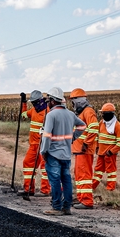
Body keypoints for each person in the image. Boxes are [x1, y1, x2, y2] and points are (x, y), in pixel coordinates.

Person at [39, 87, 86, 216]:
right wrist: (73, 137)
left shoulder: (51, 115)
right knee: (66, 180)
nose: (48, 103)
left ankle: (56, 207)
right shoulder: (70, 114)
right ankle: (66, 207)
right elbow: (82, 126)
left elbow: (47, 136)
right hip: (66, 154)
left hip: (53, 154)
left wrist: (43, 151)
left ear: (53, 101)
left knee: (54, 181)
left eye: (49, 100)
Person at [69, 87, 99, 209]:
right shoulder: (82, 112)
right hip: (79, 150)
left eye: (73, 101)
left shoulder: (88, 111)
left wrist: (86, 143)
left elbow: (94, 128)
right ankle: (81, 198)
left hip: (84, 150)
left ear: (78, 100)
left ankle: (87, 201)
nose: (72, 104)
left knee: (84, 175)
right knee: (79, 175)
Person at [20, 90, 51, 197]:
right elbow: (24, 115)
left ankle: (45, 190)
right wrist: (23, 102)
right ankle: (28, 189)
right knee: (27, 164)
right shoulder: (33, 110)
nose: (33, 105)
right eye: (32, 103)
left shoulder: (48, 112)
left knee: (45, 167)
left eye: (34, 102)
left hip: (44, 145)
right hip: (33, 145)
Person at [92, 102, 120, 191]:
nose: (102, 115)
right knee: (98, 171)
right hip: (101, 153)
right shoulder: (101, 123)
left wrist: (111, 151)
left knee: (111, 172)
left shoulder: (117, 125)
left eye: (103, 113)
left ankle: (110, 189)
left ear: (109, 114)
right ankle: (92, 187)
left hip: (110, 155)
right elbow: (98, 136)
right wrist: (97, 147)